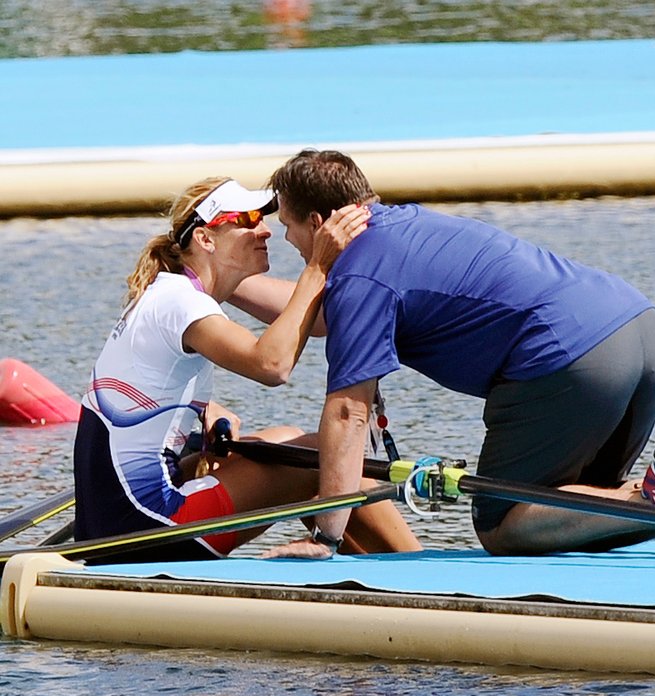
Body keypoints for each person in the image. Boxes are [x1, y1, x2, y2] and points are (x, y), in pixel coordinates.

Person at [231, 149, 655, 560]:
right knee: (577, 514)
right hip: (640, 331)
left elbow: (348, 413)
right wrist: (225, 285)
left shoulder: (361, 274)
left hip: (572, 360)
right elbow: (323, 316)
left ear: (317, 221)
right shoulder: (408, 226)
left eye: (287, 226)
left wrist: (326, 536)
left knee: (506, 523)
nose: (287, 242)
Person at [73, 176, 421, 563]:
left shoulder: (164, 293)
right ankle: (416, 570)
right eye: (250, 218)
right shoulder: (180, 303)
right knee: (327, 451)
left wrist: (202, 410)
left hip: (108, 522)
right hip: (147, 525)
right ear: (206, 239)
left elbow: (146, 386)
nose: (266, 229)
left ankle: (362, 563)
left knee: (284, 440)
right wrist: (319, 267)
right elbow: (271, 365)